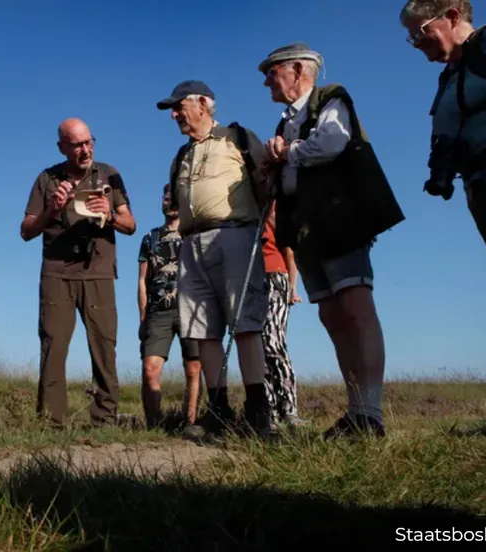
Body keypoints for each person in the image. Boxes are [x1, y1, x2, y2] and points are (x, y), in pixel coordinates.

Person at [258, 42, 405, 439]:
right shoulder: (283, 122)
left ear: (297, 70)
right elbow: (289, 167)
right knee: (330, 314)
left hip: (338, 218)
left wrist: (285, 153)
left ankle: (370, 413)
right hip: (304, 225)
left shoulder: (330, 98)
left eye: (272, 71)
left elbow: (330, 144)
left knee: (356, 307)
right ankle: (355, 411)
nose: (267, 80)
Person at [398, 0, 486, 429]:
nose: (416, 43)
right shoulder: (450, 76)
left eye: (421, 32)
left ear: (453, 15)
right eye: (412, 36)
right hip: (484, 186)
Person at [156, 80, 273, 440]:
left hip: (235, 234)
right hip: (191, 242)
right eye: (173, 109)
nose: (175, 114)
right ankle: (218, 413)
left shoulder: (237, 138)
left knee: (246, 323)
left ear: (204, 103)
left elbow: (268, 182)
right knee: (201, 328)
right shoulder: (182, 155)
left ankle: (257, 413)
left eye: (180, 106)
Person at [20, 118, 136, 428]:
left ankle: (104, 420)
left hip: (98, 273)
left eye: (89, 142)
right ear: (62, 147)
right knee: (54, 345)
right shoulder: (47, 179)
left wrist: (109, 214)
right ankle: (51, 422)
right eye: (77, 145)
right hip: (57, 274)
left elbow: (131, 225)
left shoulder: (109, 174)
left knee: (104, 346)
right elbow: (26, 231)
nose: (85, 150)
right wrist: (53, 210)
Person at [137, 183, 202, 430]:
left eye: (174, 197)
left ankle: (190, 423)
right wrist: (143, 317)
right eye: (166, 196)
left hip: (191, 309)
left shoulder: (193, 234)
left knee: (193, 368)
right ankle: (155, 426)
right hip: (158, 311)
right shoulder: (150, 238)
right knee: (150, 369)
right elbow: (142, 281)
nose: (169, 201)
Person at [261, 201, 306, 428]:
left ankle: (289, 409)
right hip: (252, 279)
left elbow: (290, 250)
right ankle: (270, 411)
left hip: (275, 276)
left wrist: (292, 286)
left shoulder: (273, 208)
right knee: (259, 348)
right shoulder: (246, 207)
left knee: (273, 342)